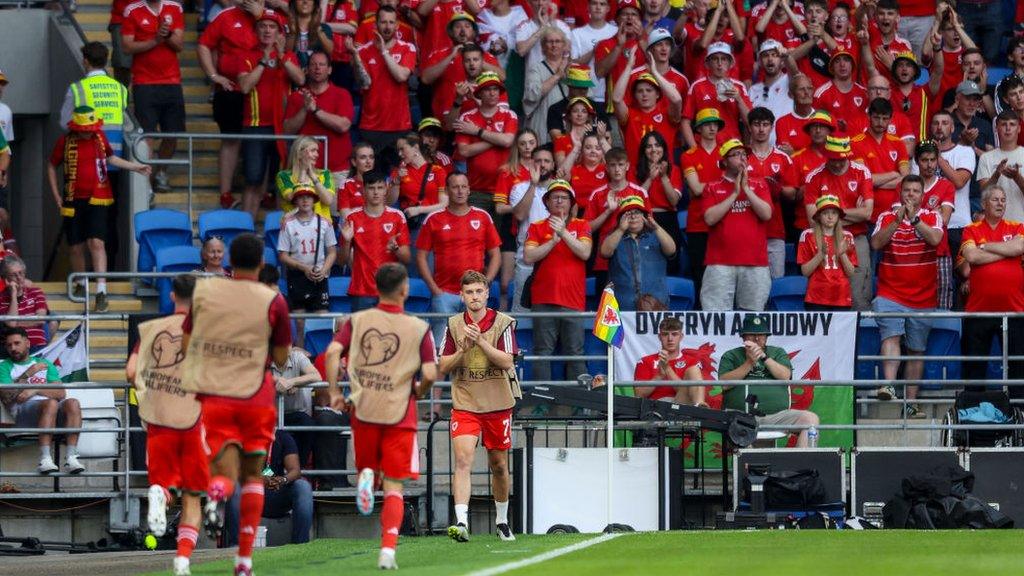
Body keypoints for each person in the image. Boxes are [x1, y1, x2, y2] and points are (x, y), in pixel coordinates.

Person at [180, 233, 291, 576]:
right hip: (256, 396)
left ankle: (215, 494)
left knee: (223, 472)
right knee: (253, 475)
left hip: (217, 395)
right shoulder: (273, 300)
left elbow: (187, 344)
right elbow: (283, 357)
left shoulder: (208, 294)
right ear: (260, 263)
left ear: (228, 261)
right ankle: (243, 562)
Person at [324, 263, 438, 570]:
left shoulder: (357, 320)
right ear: (405, 290)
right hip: (400, 413)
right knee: (395, 486)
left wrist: (335, 391)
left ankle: (366, 477)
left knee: (371, 471)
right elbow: (430, 371)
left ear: (375, 289)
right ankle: (387, 550)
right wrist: (419, 389)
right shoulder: (418, 328)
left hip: (364, 408)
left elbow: (333, 352)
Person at [125, 274, 206, 576]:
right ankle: (183, 560)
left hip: (159, 419)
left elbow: (131, 371)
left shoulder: (152, 329)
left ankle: (160, 492)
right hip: (193, 420)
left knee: (163, 480)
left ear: (172, 296)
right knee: (193, 496)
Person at [439, 270, 519, 543]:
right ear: (461, 296)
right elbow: (441, 366)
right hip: (466, 402)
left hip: (498, 403)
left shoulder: (504, 322)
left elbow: (508, 361)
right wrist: (463, 349)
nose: (474, 296)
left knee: (498, 465)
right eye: (469, 292)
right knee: (463, 461)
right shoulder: (452, 324)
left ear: (487, 293)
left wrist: (482, 341)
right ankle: (461, 521)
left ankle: (502, 520)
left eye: (478, 291)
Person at [47, 106, 151, 313]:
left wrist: (135, 167)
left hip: (99, 198)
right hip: (72, 200)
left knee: (96, 242)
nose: (88, 131)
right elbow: (51, 165)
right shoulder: (65, 141)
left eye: (90, 128)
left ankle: (101, 291)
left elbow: (111, 159)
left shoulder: (99, 138)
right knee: (76, 246)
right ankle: (81, 283)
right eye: (84, 128)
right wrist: (56, 195)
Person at [870, 175, 944, 417]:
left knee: (916, 350)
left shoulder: (933, 216)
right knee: (890, 336)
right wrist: (897, 221)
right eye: (907, 191)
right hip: (890, 292)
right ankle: (889, 385)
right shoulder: (885, 216)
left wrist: (914, 220)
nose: (911, 195)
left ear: (922, 196)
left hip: (923, 296)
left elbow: (935, 239)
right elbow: (876, 244)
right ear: (900, 193)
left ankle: (910, 405)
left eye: (915, 191)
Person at [234, 9, 305, 217]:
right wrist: (263, 62)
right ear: (256, 30)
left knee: (282, 182)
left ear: (279, 32)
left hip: (283, 127)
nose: (267, 30)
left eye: (272, 26)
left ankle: (278, 233)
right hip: (255, 126)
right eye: (263, 26)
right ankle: (245, 230)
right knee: (253, 180)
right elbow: (245, 87)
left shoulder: (288, 56)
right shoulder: (246, 55)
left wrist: (281, 56)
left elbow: (300, 79)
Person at [416, 172, 502, 338]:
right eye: (455, 187)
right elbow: (420, 257)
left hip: (475, 293)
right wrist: (434, 289)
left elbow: (496, 254)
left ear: (469, 190)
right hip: (444, 294)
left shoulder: (483, 217)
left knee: (476, 347)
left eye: (464, 187)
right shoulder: (434, 219)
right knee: (442, 347)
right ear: (447, 190)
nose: (460, 191)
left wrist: (487, 283)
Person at [958, 186, 1024, 399]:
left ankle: (1019, 414)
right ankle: (973, 412)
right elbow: (972, 258)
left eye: (1003, 200)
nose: (1000, 203)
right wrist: (1006, 252)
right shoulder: (971, 229)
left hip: (1015, 311)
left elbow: (1018, 249)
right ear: (984, 204)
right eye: (995, 199)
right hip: (979, 311)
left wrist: (985, 246)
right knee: (975, 367)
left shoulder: (1017, 226)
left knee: (1018, 366)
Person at [523, 179, 592, 384]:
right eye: (555, 197)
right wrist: (553, 241)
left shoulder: (582, 225)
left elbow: (585, 253)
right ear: (547, 202)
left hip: (573, 299)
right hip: (543, 298)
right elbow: (529, 256)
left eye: (564, 197)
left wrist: (562, 233)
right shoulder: (537, 226)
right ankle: (541, 403)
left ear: (571, 202)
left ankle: (578, 403)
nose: (560, 201)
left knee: (575, 352)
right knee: (542, 352)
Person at [719, 314, 820, 447]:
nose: (757, 338)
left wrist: (764, 357)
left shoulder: (777, 352)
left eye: (761, 335)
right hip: (741, 416)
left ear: (766, 337)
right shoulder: (731, 355)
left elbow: (785, 376)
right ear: (743, 337)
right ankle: (747, 467)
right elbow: (724, 384)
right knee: (742, 440)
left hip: (777, 416)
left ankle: (801, 465)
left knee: (810, 419)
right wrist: (749, 363)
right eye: (752, 335)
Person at [198, 0, 260, 209]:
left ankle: (261, 190)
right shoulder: (225, 16)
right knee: (231, 140)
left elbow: (285, 42)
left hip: (263, 90)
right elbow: (204, 44)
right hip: (230, 89)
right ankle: (225, 193)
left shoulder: (269, 17)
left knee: (261, 140)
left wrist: (260, 16)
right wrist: (213, 75)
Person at [802, 135, 874, 311]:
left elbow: (867, 212)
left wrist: (830, 213)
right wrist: (851, 213)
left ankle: (857, 336)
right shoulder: (814, 176)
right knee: (826, 292)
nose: (838, 163)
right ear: (826, 155)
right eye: (834, 159)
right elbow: (813, 219)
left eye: (843, 159)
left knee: (858, 294)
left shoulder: (861, 172)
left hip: (856, 239)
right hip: (823, 239)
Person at [121, 0, 186, 193]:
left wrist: (165, 36)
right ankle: (146, 182)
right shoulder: (132, 10)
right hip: (144, 82)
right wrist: (154, 41)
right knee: (147, 133)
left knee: (172, 133)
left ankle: (161, 172)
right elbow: (127, 46)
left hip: (172, 81)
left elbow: (180, 45)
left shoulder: (175, 8)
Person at [701, 139, 773, 312]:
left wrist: (746, 189)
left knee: (753, 318)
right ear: (725, 161)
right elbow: (710, 218)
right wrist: (734, 193)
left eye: (744, 154)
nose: (742, 158)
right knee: (715, 316)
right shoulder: (712, 187)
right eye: (736, 154)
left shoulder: (760, 184)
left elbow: (766, 214)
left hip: (755, 262)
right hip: (720, 263)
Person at [0, 328, 84, 475]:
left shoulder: (44, 363)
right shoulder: (4, 366)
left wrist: (35, 389)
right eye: (9, 345)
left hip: (50, 410)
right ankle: (45, 459)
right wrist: (28, 374)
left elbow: (60, 392)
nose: (13, 348)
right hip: (21, 414)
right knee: (51, 403)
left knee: (73, 403)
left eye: (17, 343)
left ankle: (71, 457)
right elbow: (7, 396)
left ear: (27, 343)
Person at [348, 5, 416, 175]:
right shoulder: (363, 51)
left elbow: (401, 76)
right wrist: (355, 58)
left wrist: (384, 52)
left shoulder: (408, 48)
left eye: (391, 22)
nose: (387, 26)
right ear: (375, 25)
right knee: (370, 179)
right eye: (383, 22)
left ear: (397, 26)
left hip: (399, 126)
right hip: (371, 126)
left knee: (402, 177)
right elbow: (364, 83)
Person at [225, 429, 314, 546]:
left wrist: (283, 480)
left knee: (303, 486)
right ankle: (236, 545)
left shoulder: (282, 437)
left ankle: (300, 544)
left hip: (276, 492)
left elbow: (295, 470)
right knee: (234, 486)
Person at [339, 171, 411, 312]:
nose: (376, 192)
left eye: (380, 188)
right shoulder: (352, 218)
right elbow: (341, 261)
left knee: (390, 334)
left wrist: (395, 248)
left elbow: (407, 258)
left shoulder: (397, 216)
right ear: (363, 190)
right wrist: (347, 242)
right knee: (363, 334)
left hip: (390, 290)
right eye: (371, 188)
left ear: (386, 189)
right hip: (361, 290)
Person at [282, 50, 355, 187]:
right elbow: (287, 130)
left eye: (322, 64)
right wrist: (304, 108)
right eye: (313, 64)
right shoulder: (297, 97)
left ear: (329, 70)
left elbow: (343, 125)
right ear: (307, 69)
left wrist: (315, 110)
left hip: (336, 171)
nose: (317, 68)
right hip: (303, 170)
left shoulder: (342, 94)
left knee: (334, 209)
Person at [277, 185, 337, 349]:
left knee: (322, 318)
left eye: (308, 196)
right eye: (301, 197)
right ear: (295, 200)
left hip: (319, 275)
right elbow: (282, 255)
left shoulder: (325, 223)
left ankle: (323, 356)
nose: (305, 200)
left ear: (314, 200)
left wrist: (324, 270)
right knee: (300, 321)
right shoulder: (288, 224)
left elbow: (332, 252)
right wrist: (303, 267)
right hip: (297, 276)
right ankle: (300, 355)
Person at [453, 72, 519, 215]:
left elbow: (507, 141)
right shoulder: (467, 117)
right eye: (487, 89)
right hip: (477, 190)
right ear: (479, 93)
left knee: (503, 236)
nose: (492, 93)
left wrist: (477, 131)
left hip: (506, 187)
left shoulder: (509, 115)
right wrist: (497, 139)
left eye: (495, 89)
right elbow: (464, 151)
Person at [746, 106, 798, 279]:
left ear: (771, 127)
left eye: (765, 124)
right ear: (749, 127)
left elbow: (792, 194)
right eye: (757, 124)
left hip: (775, 230)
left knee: (776, 281)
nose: (761, 129)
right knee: (750, 283)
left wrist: (778, 189)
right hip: (747, 229)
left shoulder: (783, 158)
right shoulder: (741, 156)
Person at [421, 14, 503, 120]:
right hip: (445, 119)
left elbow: (502, 77)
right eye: (458, 26)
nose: (463, 30)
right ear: (451, 32)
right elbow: (425, 79)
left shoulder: (485, 56)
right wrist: (451, 57)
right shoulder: (439, 55)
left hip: (478, 119)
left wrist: (476, 58)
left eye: (467, 26)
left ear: (474, 32)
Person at [600, 195, 675, 310]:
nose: (633, 216)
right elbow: (604, 252)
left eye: (637, 212)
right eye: (628, 214)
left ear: (644, 217)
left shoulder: (656, 235)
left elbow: (671, 250)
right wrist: (620, 229)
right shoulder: (615, 236)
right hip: (621, 306)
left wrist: (656, 228)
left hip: (655, 304)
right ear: (621, 218)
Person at [681, 108, 726, 296]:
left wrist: (706, 186)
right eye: (707, 124)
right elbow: (696, 189)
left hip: (723, 223)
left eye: (715, 124)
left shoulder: (727, 153)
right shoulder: (689, 155)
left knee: (723, 275)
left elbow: (700, 187)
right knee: (700, 275)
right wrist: (722, 185)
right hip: (697, 224)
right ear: (698, 129)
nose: (712, 127)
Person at [681, 41, 752, 149]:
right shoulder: (697, 86)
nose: (719, 63)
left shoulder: (739, 87)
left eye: (724, 59)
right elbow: (685, 121)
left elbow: (750, 122)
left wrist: (738, 99)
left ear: (730, 63)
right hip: (704, 147)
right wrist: (694, 149)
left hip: (732, 147)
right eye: (715, 59)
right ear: (707, 64)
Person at [850, 98, 911, 222]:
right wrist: (893, 174)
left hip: (895, 213)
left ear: (890, 119)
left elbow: (905, 179)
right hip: (869, 215)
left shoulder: (898, 143)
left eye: (885, 118)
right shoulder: (855, 143)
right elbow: (863, 179)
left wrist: (875, 183)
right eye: (876, 117)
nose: (880, 122)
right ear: (869, 116)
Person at [914, 140, 956, 310]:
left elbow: (944, 220)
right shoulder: (907, 186)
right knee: (914, 299)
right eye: (924, 160)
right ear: (917, 161)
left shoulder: (946, 185)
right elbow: (902, 220)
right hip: (912, 252)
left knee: (943, 301)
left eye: (932, 159)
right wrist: (933, 214)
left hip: (940, 252)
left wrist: (916, 215)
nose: (929, 165)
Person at [797, 195, 857, 311]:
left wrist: (842, 253)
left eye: (834, 213)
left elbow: (850, 273)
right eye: (825, 213)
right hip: (816, 297)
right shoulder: (808, 235)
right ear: (819, 216)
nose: (830, 217)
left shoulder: (847, 236)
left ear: (838, 216)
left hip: (841, 297)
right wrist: (821, 255)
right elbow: (805, 272)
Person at [272, 345, 324, 472]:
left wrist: (293, 382)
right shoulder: (265, 358)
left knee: (308, 426)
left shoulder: (297, 357)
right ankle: (273, 476)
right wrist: (278, 380)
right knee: (272, 454)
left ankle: (299, 469)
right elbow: (257, 375)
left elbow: (317, 376)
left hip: (295, 414)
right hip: (272, 416)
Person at [633, 316, 706, 406]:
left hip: (682, 405)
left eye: (674, 334)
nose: (670, 339)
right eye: (665, 334)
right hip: (656, 407)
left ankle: (700, 408)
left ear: (681, 336)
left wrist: (667, 368)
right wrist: (659, 376)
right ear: (659, 337)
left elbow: (684, 390)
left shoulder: (693, 361)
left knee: (693, 370)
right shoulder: (645, 361)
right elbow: (638, 394)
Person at [523, 27, 572, 145]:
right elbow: (532, 94)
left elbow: (587, 96)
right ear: (543, 46)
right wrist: (558, 75)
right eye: (549, 42)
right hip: (542, 122)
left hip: (569, 123)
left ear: (564, 45)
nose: (554, 45)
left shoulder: (573, 67)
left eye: (558, 41)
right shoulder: (536, 69)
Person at [390, 133, 449, 227]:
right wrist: (396, 181)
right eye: (398, 150)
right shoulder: (398, 171)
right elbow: (391, 201)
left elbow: (444, 204)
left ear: (416, 148)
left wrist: (419, 210)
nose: (399, 154)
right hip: (413, 223)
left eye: (402, 149)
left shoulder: (438, 171)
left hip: (436, 221)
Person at [0, 256, 56, 352]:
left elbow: (41, 319)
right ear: (5, 279)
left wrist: (17, 323)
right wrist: (14, 295)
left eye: (21, 273)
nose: (19, 277)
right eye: (13, 275)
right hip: (14, 350)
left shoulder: (36, 292)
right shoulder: (1, 297)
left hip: (36, 345)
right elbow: (12, 323)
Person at [569, 0, 617, 113]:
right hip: (587, 94)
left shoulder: (616, 32)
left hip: (612, 95)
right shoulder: (577, 33)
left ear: (608, 8)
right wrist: (594, 50)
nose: (598, 7)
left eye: (602, 4)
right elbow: (573, 65)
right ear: (588, 7)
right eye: (594, 3)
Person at [976, 111, 1024, 223]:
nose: (1008, 128)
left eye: (1012, 124)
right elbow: (984, 194)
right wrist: (996, 174)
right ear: (996, 128)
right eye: (1003, 124)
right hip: (995, 227)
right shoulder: (985, 158)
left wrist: (1017, 177)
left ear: (1019, 129)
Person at [275, 136, 336, 220]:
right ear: (299, 153)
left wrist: (313, 177)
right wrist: (303, 171)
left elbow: (328, 201)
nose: (317, 155)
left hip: (321, 226)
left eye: (317, 151)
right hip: (295, 226)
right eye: (312, 150)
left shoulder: (325, 174)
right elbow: (294, 199)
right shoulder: (284, 175)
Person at [286, 0, 334, 68]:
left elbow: (330, 50)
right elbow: (286, 51)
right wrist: (293, 32)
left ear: (314, 4)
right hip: (293, 72)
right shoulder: (286, 26)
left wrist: (318, 29)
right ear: (294, 3)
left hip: (316, 73)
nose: (305, 1)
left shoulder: (324, 28)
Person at [338, 142, 376, 220]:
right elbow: (346, 217)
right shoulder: (346, 185)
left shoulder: (381, 183)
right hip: (355, 228)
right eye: (363, 157)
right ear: (354, 162)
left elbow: (388, 205)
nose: (368, 161)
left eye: (371, 157)